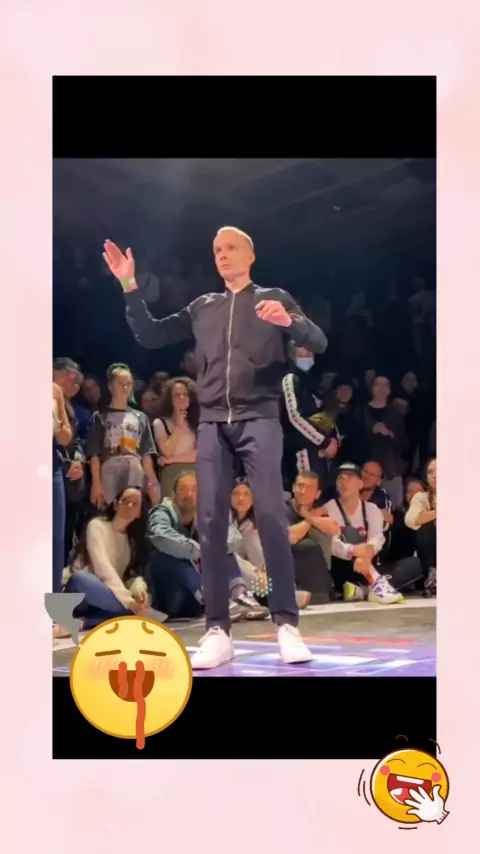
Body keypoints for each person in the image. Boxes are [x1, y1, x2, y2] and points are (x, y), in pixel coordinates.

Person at [102, 227, 328, 668]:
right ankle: (218, 630)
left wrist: (291, 323)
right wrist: (129, 284)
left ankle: (286, 623)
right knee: (208, 521)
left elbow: (318, 341)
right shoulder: (204, 306)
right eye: (217, 250)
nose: (222, 255)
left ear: (251, 255)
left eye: (231, 248)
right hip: (212, 422)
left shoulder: (274, 297)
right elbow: (150, 335)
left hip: (258, 417)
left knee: (270, 514)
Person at [147, 472, 268, 621]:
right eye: (183, 489)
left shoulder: (208, 514)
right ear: (173, 494)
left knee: (222, 547)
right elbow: (160, 534)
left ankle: (240, 596)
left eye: (194, 489)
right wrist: (198, 551)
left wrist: (212, 549)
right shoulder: (163, 511)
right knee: (171, 554)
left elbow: (233, 537)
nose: (189, 494)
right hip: (170, 594)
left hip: (200, 597)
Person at [59, 486, 161, 634]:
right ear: (115, 504)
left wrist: (138, 589)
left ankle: (86, 622)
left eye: (135, 504)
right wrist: (129, 603)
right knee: (81, 578)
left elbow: (129, 574)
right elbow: (103, 569)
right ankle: (130, 614)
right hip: (81, 591)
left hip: (107, 596)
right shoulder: (97, 526)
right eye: (125, 500)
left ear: (139, 513)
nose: (129, 505)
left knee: (148, 598)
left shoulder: (132, 541)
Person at [324, 463, 403, 604]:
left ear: (360, 484)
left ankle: (362, 591)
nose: (344, 482)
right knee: (351, 533)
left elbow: (378, 537)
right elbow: (331, 544)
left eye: (349, 478)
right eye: (340, 478)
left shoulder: (372, 509)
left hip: (366, 563)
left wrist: (368, 552)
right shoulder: (328, 508)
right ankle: (375, 583)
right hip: (343, 566)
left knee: (413, 565)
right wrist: (353, 550)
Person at [230, 476, 311, 608]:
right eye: (236, 494)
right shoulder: (222, 518)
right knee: (230, 556)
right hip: (230, 572)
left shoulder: (257, 521)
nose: (241, 498)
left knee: (253, 537)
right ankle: (282, 594)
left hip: (255, 579)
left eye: (246, 494)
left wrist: (265, 570)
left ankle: (277, 588)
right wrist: (256, 572)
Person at [86, 363, 160, 508]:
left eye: (128, 383)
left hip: (134, 470)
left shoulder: (140, 417)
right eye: (120, 383)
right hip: (110, 471)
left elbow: (146, 453)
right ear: (110, 386)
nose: (125, 387)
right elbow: (94, 454)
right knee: (110, 511)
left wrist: (153, 482)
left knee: (134, 510)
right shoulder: (100, 417)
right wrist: (96, 484)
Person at [281, 344, 339, 491]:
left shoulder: (312, 383)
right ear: (292, 352)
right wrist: (324, 442)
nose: (307, 355)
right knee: (306, 495)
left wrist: (333, 440)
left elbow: (326, 414)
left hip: (320, 453)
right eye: (303, 351)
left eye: (310, 352)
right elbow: (295, 417)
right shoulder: (290, 378)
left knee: (319, 494)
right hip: (301, 450)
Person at [357, 375, 407, 509]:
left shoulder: (395, 413)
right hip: (366, 470)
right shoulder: (360, 412)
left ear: (389, 390)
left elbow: (404, 444)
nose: (381, 388)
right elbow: (353, 441)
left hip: (391, 470)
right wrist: (371, 431)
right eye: (378, 384)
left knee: (393, 509)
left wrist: (390, 434)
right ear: (372, 388)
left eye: (385, 385)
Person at [153, 377, 198, 497]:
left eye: (185, 394)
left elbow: (197, 455)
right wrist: (178, 428)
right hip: (171, 474)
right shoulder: (160, 423)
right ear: (170, 399)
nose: (182, 398)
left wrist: (170, 460)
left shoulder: (196, 423)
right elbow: (167, 451)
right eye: (177, 395)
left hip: (193, 473)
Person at [405, 458, 436, 596]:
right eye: (430, 472)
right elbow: (411, 520)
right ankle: (433, 574)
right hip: (431, 551)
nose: (434, 475)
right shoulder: (421, 498)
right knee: (426, 525)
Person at [53, 381, 73, 593]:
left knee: (55, 537)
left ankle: (52, 596)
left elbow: (65, 437)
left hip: (50, 466)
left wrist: (56, 423)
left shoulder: (54, 390)